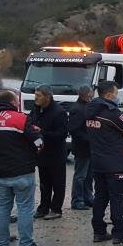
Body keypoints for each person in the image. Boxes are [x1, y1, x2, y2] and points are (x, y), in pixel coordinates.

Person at [0, 89, 45, 246]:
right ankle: (26, 244)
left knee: (2, 208)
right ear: (13, 102)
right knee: (25, 208)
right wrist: (35, 151)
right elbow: (39, 143)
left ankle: (2, 245)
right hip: (22, 171)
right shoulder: (21, 119)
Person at [85, 80, 123, 244]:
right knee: (117, 199)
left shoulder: (90, 110)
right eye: (115, 93)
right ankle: (120, 234)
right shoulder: (111, 112)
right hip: (115, 162)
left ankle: (99, 232)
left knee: (100, 197)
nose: (116, 96)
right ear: (108, 95)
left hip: (98, 162)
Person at [30, 85, 68, 220]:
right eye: (35, 95)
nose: (35, 98)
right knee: (44, 183)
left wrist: (42, 132)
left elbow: (62, 134)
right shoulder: (35, 110)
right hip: (41, 153)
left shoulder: (59, 112)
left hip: (56, 154)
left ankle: (56, 208)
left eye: (38, 95)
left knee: (57, 183)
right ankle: (43, 207)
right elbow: (30, 124)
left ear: (47, 96)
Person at [68, 85, 95, 211]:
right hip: (82, 148)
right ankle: (77, 200)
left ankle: (88, 198)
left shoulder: (86, 107)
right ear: (86, 94)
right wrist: (89, 138)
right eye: (90, 93)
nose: (92, 95)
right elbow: (74, 129)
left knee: (89, 175)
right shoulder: (77, 109)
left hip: (89, 147)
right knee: (80, 176)